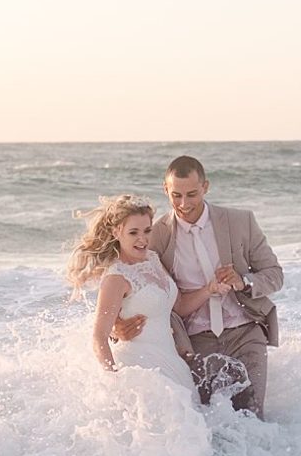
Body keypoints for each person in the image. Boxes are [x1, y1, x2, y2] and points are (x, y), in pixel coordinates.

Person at [114, 156, 284, 418]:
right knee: (208, 424)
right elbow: (125, 276)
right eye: (176, 195)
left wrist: (243, 281)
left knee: (252, 419)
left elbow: (274, 275)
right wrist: (115, 323)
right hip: (194, 342)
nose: (184, 204)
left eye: (192, 194)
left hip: (245, 333)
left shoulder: (240, 221)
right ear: (165, 190)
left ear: (205, 187)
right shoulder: (156, 234)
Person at [67, 194, 231, 393]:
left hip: (172, 364)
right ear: (117, 232)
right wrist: (114, 379)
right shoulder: (116, 278)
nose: (142, 239)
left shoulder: (152, 259)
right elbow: (99, 336)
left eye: (147, 231)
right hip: (141, 369)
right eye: (133, 232)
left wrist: (209, 290)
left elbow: (179, 306)